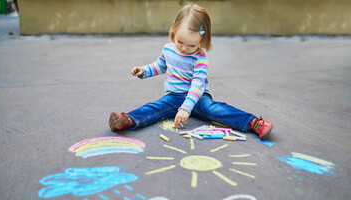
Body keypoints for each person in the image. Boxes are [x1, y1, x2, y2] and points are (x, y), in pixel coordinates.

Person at [109, 2, 273, 140]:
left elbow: (197, 84)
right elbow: (160, 66)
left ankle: (254, 123)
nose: (185, 48)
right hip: (174, 96)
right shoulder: (168, 49)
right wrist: (143, 71)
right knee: (156, 107)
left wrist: (186, 108)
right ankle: (128, 119)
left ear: (202, 40)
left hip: (198, 97)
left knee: (214, 109)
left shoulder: (199, 59)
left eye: (192, 45)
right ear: (174, 31)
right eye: (180, 41)